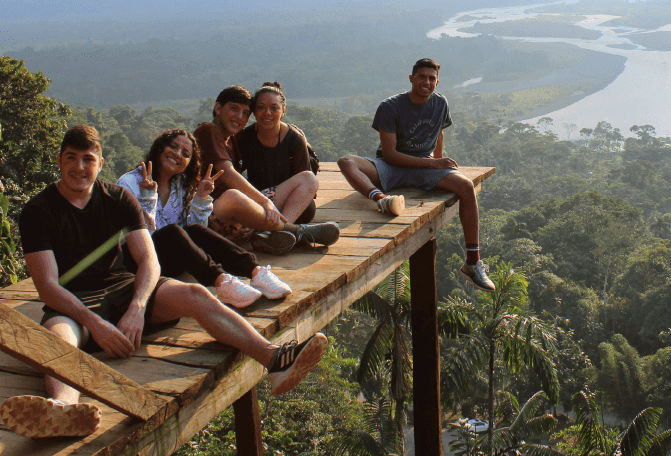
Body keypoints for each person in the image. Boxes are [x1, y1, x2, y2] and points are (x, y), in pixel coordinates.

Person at [0, 125, 327, 439]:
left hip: (124, 288)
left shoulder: (118, 199)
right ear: (59, 161)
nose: (79, 167)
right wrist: (94, 323)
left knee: (196, 294)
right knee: (59, 341)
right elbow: (48, 287)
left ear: (101, 163)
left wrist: (137, 307)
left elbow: (149, 260)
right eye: (70, 158)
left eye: (88, 159)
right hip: (74, 303)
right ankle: (63, 410)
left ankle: (275, 359)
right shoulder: (39, 211)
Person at [337, 58, 495, 291]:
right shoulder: (390, 107)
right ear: (411, 78)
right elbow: (390, 155)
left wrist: (440, 164)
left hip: (424, 167)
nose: (427, 82)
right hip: (392, 167)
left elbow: (438, 134)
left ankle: (473, 262)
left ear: (437, 82)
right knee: (346, 161)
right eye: (422, 77)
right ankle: (381, 200)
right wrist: (433, 164)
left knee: (466, 187)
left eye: (432, 79)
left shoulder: (440, 104)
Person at [115, 129, 292, 308]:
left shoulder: (180, 185)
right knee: (172, 232)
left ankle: (255, 272)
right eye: (173, 147)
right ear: (160, 147)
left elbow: (193, 235)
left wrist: (199, 199)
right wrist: (146, 199)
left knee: (194, 230)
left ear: (188, 163)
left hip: (165, 262)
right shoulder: (129, 183)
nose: (177, 154)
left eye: (185, 154)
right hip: (136, 264)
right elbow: (135, 238)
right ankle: (222, 283)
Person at [194, 85, 340, 256]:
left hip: (239, 216)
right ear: (218, 108)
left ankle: (271, 235)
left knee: (309, 179)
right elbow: (228, 172)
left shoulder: (233, 139)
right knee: (233, 196)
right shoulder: (209, 130)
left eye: (244, 113)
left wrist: (263, 202)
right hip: (209, 213)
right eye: (233, 109)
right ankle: (294, 231)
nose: (239, 117)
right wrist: (265, 202)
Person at [236, 83, 337, 248]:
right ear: (254, 111)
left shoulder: (294, 139)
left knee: (308, 195)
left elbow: (306, 183)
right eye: (261, 107)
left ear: (283, 111)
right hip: (259, 200)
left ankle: (276, 231)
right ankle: (279, 231)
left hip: (287, 204)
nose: (267, 113)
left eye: (274, 108)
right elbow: (236, 175)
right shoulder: (245, 137)